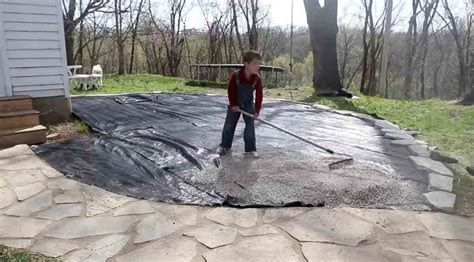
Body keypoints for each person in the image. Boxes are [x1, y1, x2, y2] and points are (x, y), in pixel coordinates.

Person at [217, 50, 264, 157]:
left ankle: (250, 150)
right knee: (229, 126)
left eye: (259, 63)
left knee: (250, 127)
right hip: (235, 104)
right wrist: (233, 104)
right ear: (246, 64)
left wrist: (256, 111)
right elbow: (231, 90)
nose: (258, 66)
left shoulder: (257, 78)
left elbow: (259, 96)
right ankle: (225, 146)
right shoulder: (236, 75)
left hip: (248, 104)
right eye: (255, 63)